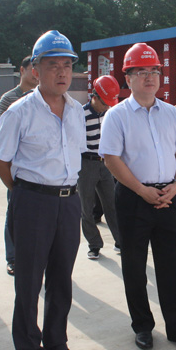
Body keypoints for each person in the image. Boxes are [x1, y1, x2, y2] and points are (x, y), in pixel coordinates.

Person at [100, 42, 176, 350]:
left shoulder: (171, 114)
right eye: (141, 72)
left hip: (169, 197)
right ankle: (143, 327)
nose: (149, 77)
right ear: (128, 78)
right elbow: (111, 159)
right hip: (134, 198)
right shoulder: (117, 115)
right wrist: (141, 190)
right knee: (134, 266)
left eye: (154, 71)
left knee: (172, 266)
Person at [0, 30, 86, 350]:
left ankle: (57, 343)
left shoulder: (76, 111)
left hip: (69, 201)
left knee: (62, 279)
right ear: (35, 70)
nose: (61, 72)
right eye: (52, 66)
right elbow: (1, 162)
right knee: (29, 282)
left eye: (67, 66)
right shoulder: (19, 112)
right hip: (33, 202)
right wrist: (26, 195)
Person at [0, 56, 39, 275]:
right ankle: (13, 258)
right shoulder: (9, 98)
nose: (35, 74)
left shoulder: (43, 99)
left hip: (37, 171)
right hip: (16, 170)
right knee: (14, 213)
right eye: (32, 69)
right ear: (22, 70)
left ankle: (36, 257)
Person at [79, 75, 121, 259]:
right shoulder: (80, 115)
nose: (107, 107)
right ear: (94, 97)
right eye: (105, 103)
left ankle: (120, 241)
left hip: (105, 163)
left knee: (112, 204)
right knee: (86, 207)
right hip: (86, 164)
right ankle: (94, 244)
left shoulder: (109, 114)